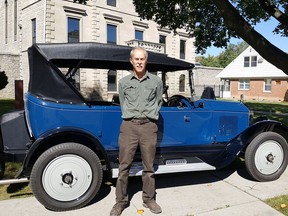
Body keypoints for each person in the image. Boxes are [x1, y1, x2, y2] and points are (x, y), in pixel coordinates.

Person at [110, 47, 163, 216]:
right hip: (129, 127)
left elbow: (158, 101)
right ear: (131, 61)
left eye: (142, 59)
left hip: (148, 126)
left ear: (146, 61)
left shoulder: (156, 81)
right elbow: (123, 103)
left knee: (149, 167)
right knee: (124, 166)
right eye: (136, 59)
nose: (139, 62)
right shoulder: (124, 83)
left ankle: (149, 199)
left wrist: (151, 116)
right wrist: (131, 116)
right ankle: (120, 202)